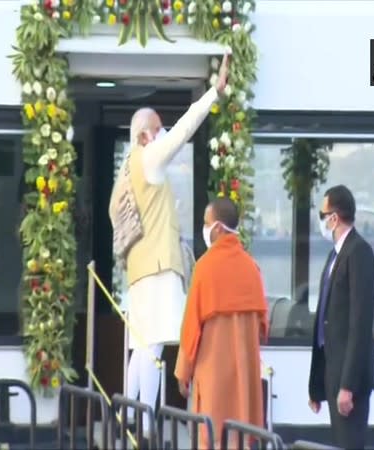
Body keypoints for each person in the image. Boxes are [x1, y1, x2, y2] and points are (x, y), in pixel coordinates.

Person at [108, 53, 230, 428]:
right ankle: (145, 425)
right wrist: (214, 92)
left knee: (140, 348)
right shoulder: (149, 157)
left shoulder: (125, 171)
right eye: (158, 128)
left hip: (138, 271)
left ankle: (125, 416)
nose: (162, 132)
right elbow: (182, 132)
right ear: (145, 134)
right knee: (154, 346)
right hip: (160, 266)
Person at [175, 198, 268, 450]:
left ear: (217, 228)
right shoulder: (252, 268)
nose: (204, 229)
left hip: (212, 373)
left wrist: (183, 371)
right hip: (244, 377)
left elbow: (191, 325)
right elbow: (262, 327)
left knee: (212, 437)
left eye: (206, 224)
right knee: (240, 437)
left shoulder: (205, 267)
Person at [308, 185, 374, 450]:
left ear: (334, 218)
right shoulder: (335, 255)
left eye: (322, 214)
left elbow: (359, 324)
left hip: (350, 379)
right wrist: (316, 386)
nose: (321, 221)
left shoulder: (359, 252)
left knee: (349, 444)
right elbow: (326, 320)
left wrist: (347, 385)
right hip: (332, 373)